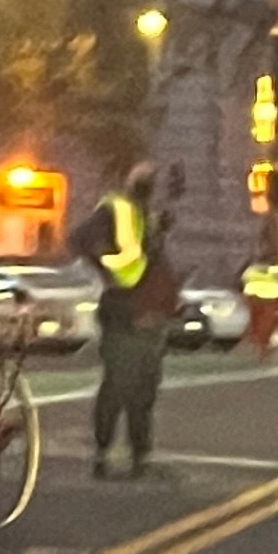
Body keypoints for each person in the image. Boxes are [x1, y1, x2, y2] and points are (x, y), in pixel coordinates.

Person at [74, 160, 174, 477]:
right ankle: (104, 453)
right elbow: (81, 240)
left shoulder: (145, 215)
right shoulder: (115, 209)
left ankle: (139, 455)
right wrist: (110, 271)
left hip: (149, 312)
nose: (149, 179)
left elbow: (152, 261)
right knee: (118, 386)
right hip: (123, 311)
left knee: (144, 387)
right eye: (143, 173)